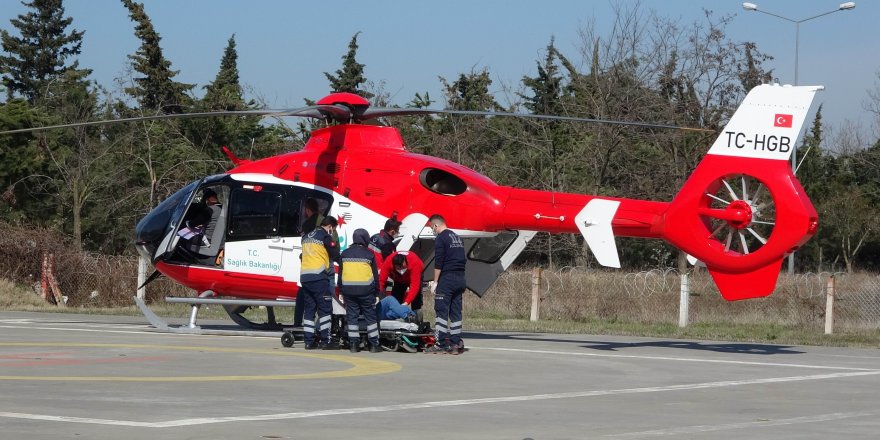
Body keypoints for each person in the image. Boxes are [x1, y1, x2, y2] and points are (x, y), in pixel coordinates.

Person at [424, 214, 466, 355]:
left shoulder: (441, 238)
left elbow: (439, 262)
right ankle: (455, 344)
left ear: (436, 225)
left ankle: (440, 344)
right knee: (455, 313)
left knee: (441, 312)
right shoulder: (457, 237)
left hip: (447, 278)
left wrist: (435, 282)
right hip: (460, 278)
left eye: (432, 228)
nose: (432, 230)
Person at [299, 216, 339, 350]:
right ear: (330, 226)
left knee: (309, 310)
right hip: (319, 277)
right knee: (325, 309)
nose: (332, 232)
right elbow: (335, 254)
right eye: (333, 230)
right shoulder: (325, 237)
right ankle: (325, 340)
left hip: (305, 277)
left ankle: (309, 342)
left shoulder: (306, 237)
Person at [338, 228, 381, 353]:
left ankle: (353, 345)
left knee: (352, 317)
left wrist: (341, 291)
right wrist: (377, 293)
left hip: (349, 291)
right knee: (370, 317)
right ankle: (373, 345)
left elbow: (340, 276)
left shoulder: (344, 254)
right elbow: (375, 276)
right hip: (366, 291)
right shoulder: (369, 254)